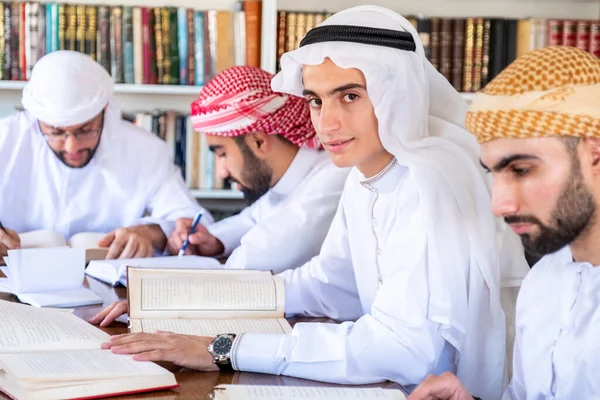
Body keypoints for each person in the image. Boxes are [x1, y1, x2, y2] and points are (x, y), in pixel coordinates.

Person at [99, 7, 527, 399]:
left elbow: (402, 348)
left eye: (351, 96)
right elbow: (327, 284)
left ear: (398, 93)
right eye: (316, 101)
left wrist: (222, 348)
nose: (327, 123)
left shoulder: (431, 180)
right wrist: (176, 304)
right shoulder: (365, 175)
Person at [408, 46, 600, 400]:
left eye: (522, 170)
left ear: (595, 154)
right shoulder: (543, 281)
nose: (500, 204)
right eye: (494, 173)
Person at [0, 50, 211, 259]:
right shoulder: (5, 139)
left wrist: (148, 233)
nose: (72, 146)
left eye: (85, 129)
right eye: (56, 132)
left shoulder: (145, 149)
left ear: (105, 111)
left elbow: (190, 220)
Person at [165, 66, 350, 271]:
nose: (221, 173)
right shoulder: (284, 181)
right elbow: (251, 219)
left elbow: (264, 254)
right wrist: (212, 241)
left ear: (259, 142)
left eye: (222, 154)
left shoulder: (335, 175)